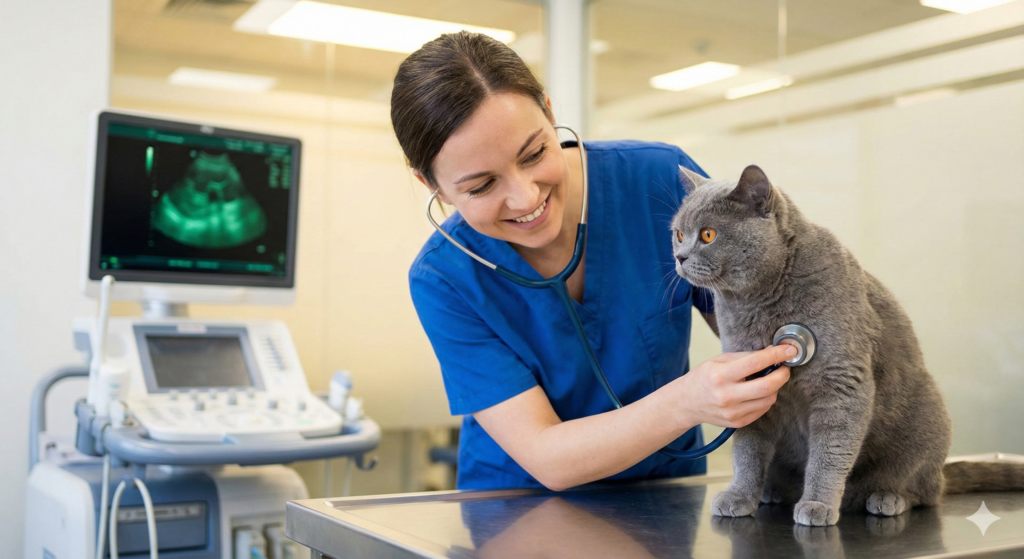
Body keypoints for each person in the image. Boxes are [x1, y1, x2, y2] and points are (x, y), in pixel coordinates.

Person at [392, 31, 794, 491]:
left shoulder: (658, 182)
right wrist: (688, 402)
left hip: (664, 500)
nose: (525, 197)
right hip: (518, 514)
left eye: (534, 153)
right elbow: (546, 455)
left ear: (549, 111)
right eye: (481, 186)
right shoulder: (445, 279)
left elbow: (767, 330)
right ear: (433, 186)